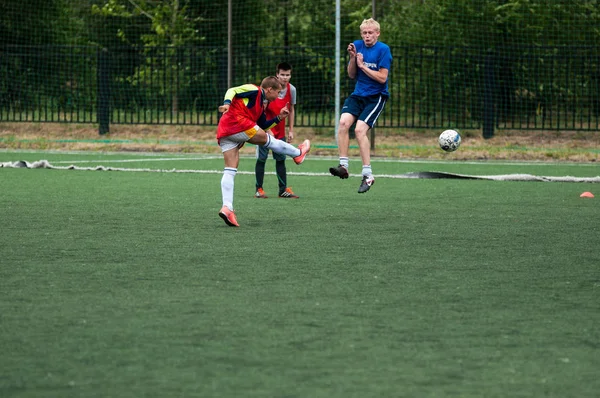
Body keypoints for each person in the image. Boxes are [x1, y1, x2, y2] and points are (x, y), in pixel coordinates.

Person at [216, 76, 311, 227]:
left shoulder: (261, 107)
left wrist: (279, 117)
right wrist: (227, 103)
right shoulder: (254, 90)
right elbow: (232, 90)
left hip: (226, 130)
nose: (279, 96)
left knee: (230, 170)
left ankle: (227, 208)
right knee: (268, 141)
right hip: (237, 122)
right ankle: (297, 154)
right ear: (269, 89)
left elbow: (264, 126)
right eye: (278, 93)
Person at [329, 18, 392, 193]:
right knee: (342, 124)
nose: (367, 36)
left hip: (376, 97)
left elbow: (382, 78)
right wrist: (352, 58)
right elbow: (351, 74)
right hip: (358, 95)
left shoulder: (383, 50)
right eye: (364, 33)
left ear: (377, 33)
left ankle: (368, 175)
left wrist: (363, 66)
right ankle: (343, 166)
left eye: (370, 32)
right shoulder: (357, 46)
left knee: (359, 130)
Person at [254, 62, 299, 199]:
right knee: (262, 159)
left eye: (288, 75)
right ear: (277, 75)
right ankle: (259, 189)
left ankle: (282, 190)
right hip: (265, 131)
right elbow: (261, 112)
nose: (285, 77)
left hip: (280, 131)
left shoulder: (292, 90)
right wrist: (267, 131)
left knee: (281, 159)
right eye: (282, 75)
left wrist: (290, 130)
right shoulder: (269, 91)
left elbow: (291, 110)